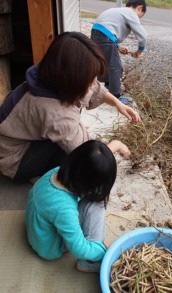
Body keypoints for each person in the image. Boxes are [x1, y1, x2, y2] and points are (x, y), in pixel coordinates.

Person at [0, 31, 141, 182]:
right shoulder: (56, 113)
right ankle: (41, 177)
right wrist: (116, 145)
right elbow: (89, 155)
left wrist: (117, 103)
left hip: (15, 139)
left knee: (73, 124)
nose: (95, 84)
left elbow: (94, 89)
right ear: (71, 79)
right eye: (90, 80)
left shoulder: (49, 74)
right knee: (76, 161)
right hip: (14, 160)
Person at [25, 139, 130, 273]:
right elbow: (79, 248)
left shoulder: (60, 172)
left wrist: (117, 144)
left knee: (95, 196)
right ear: (86, 182)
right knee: (97, 203)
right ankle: (88, 263)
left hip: (40, 233)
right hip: (50, 246)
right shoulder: (64, 208)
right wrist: (106, 247)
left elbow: (91, 163)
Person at [91, 0, 147, 105]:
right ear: (139, 8)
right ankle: (116, 97)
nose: (138, 19)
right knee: (116, 66)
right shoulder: (131, 13)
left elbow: (108, 29)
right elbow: (143, 36)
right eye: (140, 16)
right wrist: (140, 50)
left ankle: (107, 86)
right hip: (106, 37)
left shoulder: (117, 11)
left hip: (96, 34)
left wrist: (117, 46)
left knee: (104, 62)